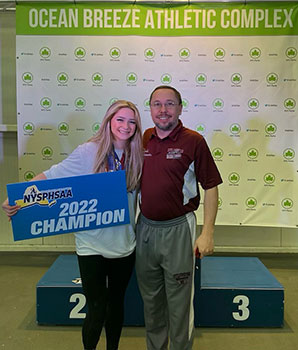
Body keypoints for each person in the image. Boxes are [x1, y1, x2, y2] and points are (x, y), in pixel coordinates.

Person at [2, 100, 143, 350]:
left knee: (116, 303)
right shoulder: (89, 151)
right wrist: (19, 199)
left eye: (132, 121)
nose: (126, 126)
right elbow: (51, 176)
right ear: (109, 121)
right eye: (120, 119)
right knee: (96, 307)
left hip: (124, 244)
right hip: (91, 244)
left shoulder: (139, 155)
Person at [135, 86, 223, 350]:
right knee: (151, 302)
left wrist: (207, 233)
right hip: (146, 229)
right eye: (157, 104)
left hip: (179, 230)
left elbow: (211, 187)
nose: (163, 110)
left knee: (179, 305)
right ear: (150, 108)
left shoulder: (193, 141)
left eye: (170, 104)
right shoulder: (144, 138)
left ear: (180, 108)